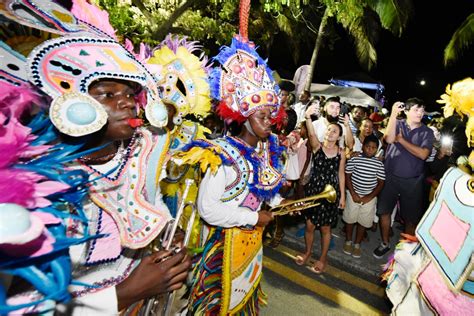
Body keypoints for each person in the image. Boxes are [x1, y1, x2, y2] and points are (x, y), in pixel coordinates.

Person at [0, 5, 192, 312]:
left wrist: (168, 232)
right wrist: (123, 294)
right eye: (107, 93)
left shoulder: (135, 154)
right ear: (66, 100)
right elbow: (17, 303)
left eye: (130, 93)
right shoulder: (34, 182)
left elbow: (139, 202)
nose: (128, 101)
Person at [182, 37, 285, 314]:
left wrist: (275, 203)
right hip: (221, 246)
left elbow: (262, 190)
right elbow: (208, 209)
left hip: (251, 244)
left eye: (270, 117)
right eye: (262, 116)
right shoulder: (222, 154)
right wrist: (253, 217)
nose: (268, 123)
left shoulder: (266, 149)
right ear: (245, 115)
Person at [373, 98, 434, 259]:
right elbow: (389, 139)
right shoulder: (398, 123)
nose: (420, 113)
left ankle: (405, 250)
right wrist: (393, 114)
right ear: (406, 111)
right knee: (384, 212)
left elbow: (423, 154)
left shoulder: (427, 132)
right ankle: (385, 243)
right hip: (390, 177)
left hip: (413, 181)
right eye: (416, 110)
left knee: (411, 218)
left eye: (422, 110)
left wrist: (402, 140)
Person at [294, 104, 346, 274]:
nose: (330, 133)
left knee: (325, 228)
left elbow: (341, 175)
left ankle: (323, 258)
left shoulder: (341, 153)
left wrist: (343, 198)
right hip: (314, 190)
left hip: (331, 194)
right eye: (329, 130)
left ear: (339, 137)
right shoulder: (317, 147)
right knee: (309, 225)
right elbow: (311, 134)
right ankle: (307, 252)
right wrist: (308, 117)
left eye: (335, 131)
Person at [343, 135, 385, 258]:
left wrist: (369, 197)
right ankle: (348, 240)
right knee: (350, 219)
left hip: (369, 198)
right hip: (353, 194)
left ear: (377, 149)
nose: (370, 150)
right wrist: (353, 193)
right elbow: (347, 176)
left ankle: (357, 244)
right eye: (368, 147)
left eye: (373, 148)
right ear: (362, 146)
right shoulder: (355, 159)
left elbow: (381, 182)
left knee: (363, 222)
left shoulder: (378, 164)